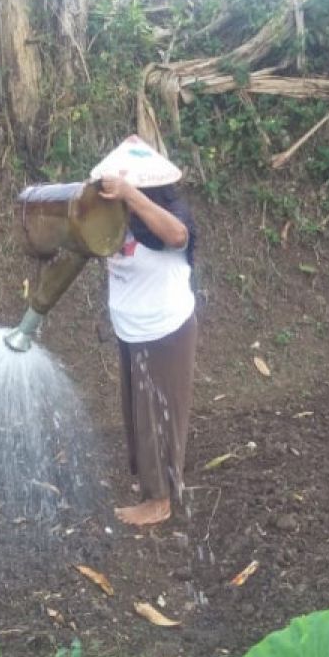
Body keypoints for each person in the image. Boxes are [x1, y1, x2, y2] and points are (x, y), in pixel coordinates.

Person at [92, 136, 198, 527]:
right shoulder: (113, 221)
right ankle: (151, 486)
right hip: (131, 330)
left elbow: (177, 236)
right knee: (139, 414)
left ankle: (161, 501)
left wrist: (131, 196)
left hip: (165, 331)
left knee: (160, 417)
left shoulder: (166, 215)